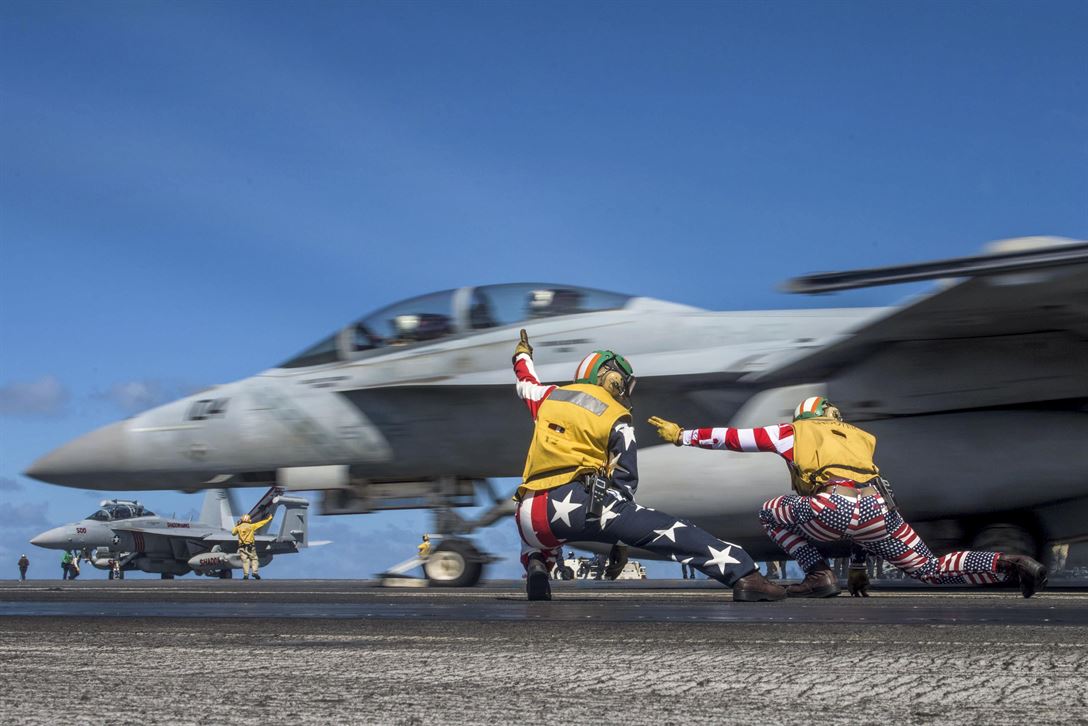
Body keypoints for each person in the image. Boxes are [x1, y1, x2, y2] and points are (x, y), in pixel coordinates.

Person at [649, 396, 1048, 598]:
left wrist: (682, 435)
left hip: (833, 506)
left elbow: (735, 438)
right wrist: (858, 564)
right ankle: (1011, 564)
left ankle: (818, 576)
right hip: (880, 511)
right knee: (929, 567)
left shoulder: (794, 432)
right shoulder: (858, 438)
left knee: (770, 512)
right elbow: (858, 513)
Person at [512, 329, 784, 602]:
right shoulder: (616, 414)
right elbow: (624, 483)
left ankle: (536, 561)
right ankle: (744, 574)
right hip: (581, 506)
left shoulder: (548, 396)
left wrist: (522, 354)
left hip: (529, 509)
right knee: (668, 529)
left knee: (538, 539)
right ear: (609, 376)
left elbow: (525, 380)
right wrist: (619, 540)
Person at [231, 512, 273, 580]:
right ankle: (255, 572)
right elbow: (261, 523)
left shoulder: (238, 527)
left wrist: (237, 525)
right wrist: (268, 519)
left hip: (242, 547)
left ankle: (246, 575)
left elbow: (233, 533)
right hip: (251, 547)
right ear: (249, 520)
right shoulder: (252, 526)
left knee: (245, 561)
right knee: (254, 559)